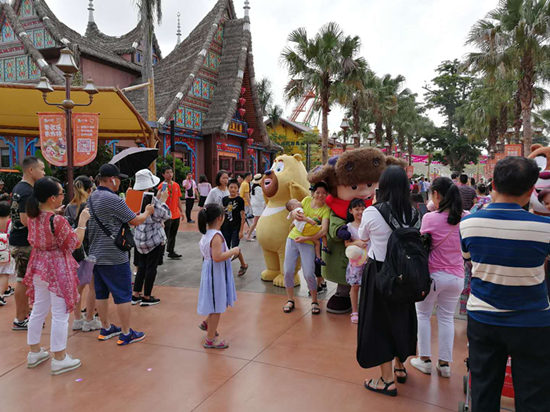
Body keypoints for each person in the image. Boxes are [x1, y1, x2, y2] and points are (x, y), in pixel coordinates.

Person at [460, 156, 550, 412]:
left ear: (493, 184)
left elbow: (469, 260)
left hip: (484, 318)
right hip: (533, 321)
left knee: (484, 392)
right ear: (531, 191)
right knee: (534, 396)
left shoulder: (468, 224)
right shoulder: (545, 228)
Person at [357, 165, 420, 397]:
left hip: (379, 272)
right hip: (405, 274)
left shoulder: (373, 212)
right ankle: (400, 366)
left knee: (379, 323)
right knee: (401, 319)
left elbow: (362, 237)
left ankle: (386, 380)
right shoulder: (414, 213)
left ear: (382, 186)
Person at [24, 177, 90, 375]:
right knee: (60, 313)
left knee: (38, 308)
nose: (63, 196)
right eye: (61, 193)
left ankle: (34, 351)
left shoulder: (33, 216)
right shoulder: (57, 220)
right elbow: (75, 243)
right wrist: (82, 223)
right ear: (52, 198)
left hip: (38, 265)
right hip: (57, 267)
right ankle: (59, 357)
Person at [87, 164, 153, 346]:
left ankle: (106, 328)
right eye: (118, 179)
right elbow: (135, 220)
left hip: (95, 254)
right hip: (114, 255)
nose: (119, 182)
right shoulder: (113, 199)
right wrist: (147, 212)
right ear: (112, 179)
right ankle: (125, 333)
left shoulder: (92, 197)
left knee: (101, 293)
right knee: (123, 294)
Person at [410, 177, 465, 378]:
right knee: (447, 318)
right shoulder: (466, 217)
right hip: (457, 277)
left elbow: (422, 242)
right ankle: (444, 365)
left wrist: (432, 208)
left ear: (436, 194)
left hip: (433, 276)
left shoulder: (430, 218)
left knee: (423, 315)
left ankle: (424, 359)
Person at [283, 182, 330, 315]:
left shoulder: (326, 209)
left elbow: (324, 230)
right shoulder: (306, 200)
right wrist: (293, 215)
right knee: (288, 271)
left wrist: (306, 238)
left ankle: (314, 301)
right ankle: (290, 299)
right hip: (293, 238)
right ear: (313, 193)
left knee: (309, 273)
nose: (320, 195)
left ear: (327, 194)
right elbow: (295, 213)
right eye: (318, 192)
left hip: (308, 242)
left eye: (323, 193)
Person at [10, 156, 45, 330]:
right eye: (42, 169)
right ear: (31, 170)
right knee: (22, 280)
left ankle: (24, 313)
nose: (44, 173)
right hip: (24, 242)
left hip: (19, 239)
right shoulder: (27, 192)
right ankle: (20, 318)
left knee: (24, 279)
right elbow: (25, 220)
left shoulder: (19, 187)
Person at [197, 204, 238, 349]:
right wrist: (233, 251)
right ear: (220, 218)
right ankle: (210, 339)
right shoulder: (216, 236)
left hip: (211, 271)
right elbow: (217, 257)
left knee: (214, 301)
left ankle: (208, 323)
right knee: (216, 306)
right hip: (216, 273)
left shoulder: (207, 234)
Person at [65, 176, 101, 332]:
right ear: (90, 189)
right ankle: (89, 320)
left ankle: (77, 319)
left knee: (78, 286)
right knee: (93, 287)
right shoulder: (90, 207)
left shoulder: (68, 207)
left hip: (74, 251)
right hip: (90, 249)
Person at [132, 169, 171, 306]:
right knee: (151, 267)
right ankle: (147, 296)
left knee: (141, 266)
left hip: (139, 238)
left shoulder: (133, 198)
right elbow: (166, 215)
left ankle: (136, 294)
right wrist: (163, 200)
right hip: (153, 239)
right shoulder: (152, 200)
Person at [344, 198, 368, 324]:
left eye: (363, 209)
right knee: (355, 286)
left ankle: (367, 310)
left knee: (369, 286)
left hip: (369, 260)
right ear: (351, 211)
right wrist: (357, 243)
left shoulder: (368, 224)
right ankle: (354, 311)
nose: (360, 212)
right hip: (355, 262)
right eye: (357, 209)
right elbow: (346, 244)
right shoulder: (349, 227)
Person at [285, 198, 325, 266]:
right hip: (308, 228)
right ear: (293, 206)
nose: (299, 202)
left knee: (317, 242)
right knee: (323, 230)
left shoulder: (292, 213)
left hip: (303, 232)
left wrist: (290, 230)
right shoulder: (299, 209)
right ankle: (325, 248)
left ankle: (318, 258)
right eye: (297, 201)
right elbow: (303, 218)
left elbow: (291, 224)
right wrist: (311, 221)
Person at [221, 179, 248, 276]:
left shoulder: (240, 200)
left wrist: (241, 231)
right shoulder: (224, 199)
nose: (233, 189)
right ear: (228, 188)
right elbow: (223, 214)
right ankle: (242, 265)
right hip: (225, 227)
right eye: (231, 187)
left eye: (235, 188)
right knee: (226, 248)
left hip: (236, 228)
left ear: (238, 189)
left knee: (235, 248)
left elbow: (243, 216)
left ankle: (242, 265)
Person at [157, 166, 182, 259]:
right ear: (163, 174)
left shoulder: (176, 185)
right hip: (166, 215)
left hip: (176, 214)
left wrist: (182, 211)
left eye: (171, 172)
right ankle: (160, 254)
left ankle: (171, 251)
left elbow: (178, 199)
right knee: (164, 235)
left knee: (173, 234)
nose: (170, 174)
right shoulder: (162, 185)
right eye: (167, 172)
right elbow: (159, 199)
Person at [0, 201, 14, 306]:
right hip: (6, 251)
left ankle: (5, 289)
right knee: (4, 274)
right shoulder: (10, 223)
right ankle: (0, 294)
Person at [245, 173, 265, 241]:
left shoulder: (253, 187)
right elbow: (262, 198)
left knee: (256, 222)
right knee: (255, 223)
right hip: (259, 207)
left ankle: (250, 234)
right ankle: (248, 236)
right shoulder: (258, 188)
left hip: (256, 207)